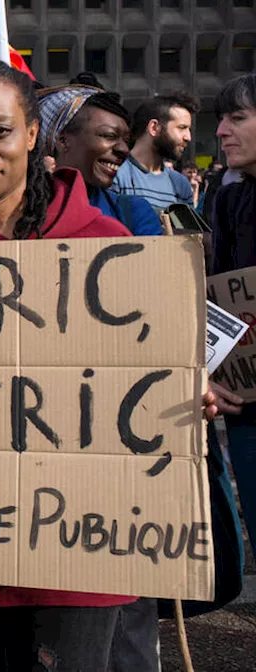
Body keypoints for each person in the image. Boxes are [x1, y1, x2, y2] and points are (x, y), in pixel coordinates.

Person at [0, 58, 177, 672]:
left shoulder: (108, 248)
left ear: (32, 136)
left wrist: (183, 396)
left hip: (80, 563)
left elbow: (148, 383)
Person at [209, 73, 256, 553]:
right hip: (247, 407)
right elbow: (219, 298)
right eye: (221, 117)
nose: (221, 130)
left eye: (237, 118)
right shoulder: (229, 200)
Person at [38, 84, 162, 237]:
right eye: (109, 136)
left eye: (126, 141)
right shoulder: (17, 215)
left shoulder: (134, 213)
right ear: (63, 141)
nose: (124, 149)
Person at [110, 93, 199, 211]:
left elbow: (189, 229)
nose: (188, 137)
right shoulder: (116, 175)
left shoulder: (181, 185)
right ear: (154, 128)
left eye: (189, 129)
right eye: (182, 128)